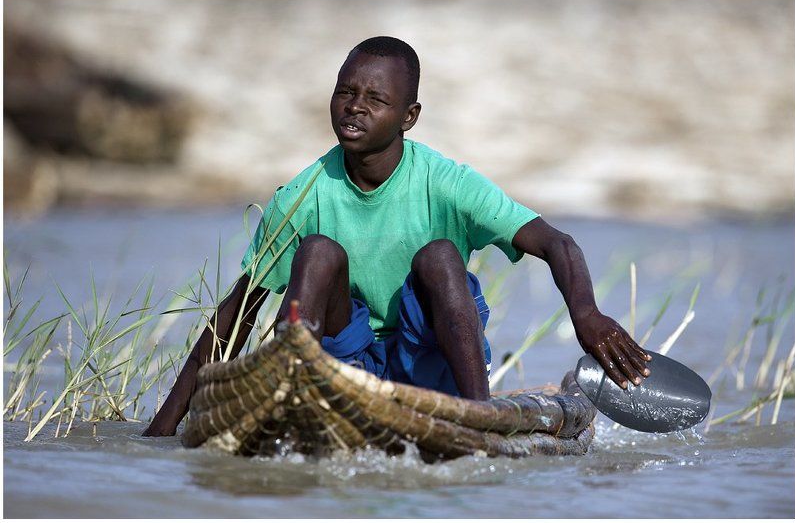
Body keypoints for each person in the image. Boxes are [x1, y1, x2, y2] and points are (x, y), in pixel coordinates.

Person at [143, 36, 650, 437]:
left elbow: (557, 243)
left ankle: (478, 420)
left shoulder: (447, 183)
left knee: (439, 257)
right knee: (317, 253)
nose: (354, 108)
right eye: (345, 93)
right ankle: (293, 399)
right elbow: (238, 314)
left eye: (375, 99)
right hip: (349, 365)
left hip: (429, 358)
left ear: (409, 117)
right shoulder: (300, 196)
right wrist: (162, 431)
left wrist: (586, 314)